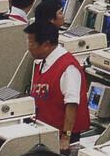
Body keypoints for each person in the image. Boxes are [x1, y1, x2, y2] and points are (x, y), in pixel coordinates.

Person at [26, 15, 88, 143]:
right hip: (44, 131)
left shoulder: (67, 67)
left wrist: (66, 137)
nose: (29, 47)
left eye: (32, 43)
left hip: (61, 137)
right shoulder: (42, 62)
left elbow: (72, 104)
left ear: (46, 44)